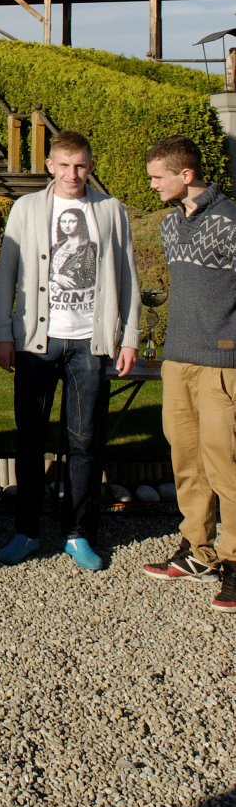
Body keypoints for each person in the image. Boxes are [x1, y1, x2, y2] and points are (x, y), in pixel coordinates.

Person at [0, 130, 139, 572]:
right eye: (64, 165)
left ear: (90, 166)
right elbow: (6, 275)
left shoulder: (110, 210)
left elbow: (127, 274)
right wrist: (2, 333)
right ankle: (26, 530)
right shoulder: (26, 208)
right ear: (50, 166)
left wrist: (129, 336)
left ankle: (78, 533)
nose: (73, 174)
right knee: (30, 438)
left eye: (80, 166)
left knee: (84, 441)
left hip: (89, 343)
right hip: (37, 342)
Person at [142, 136, 236, 612]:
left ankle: (234, 560)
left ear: (186, 174)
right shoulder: (169, 225)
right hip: (177, 359)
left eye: (157, 176)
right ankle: (197, 549)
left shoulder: (231, 222)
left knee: (226, 467)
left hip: (223, 362)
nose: (151, 184)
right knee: (187, 462)